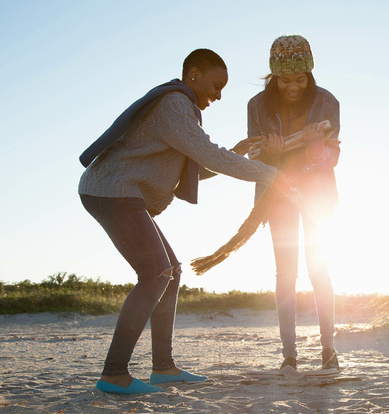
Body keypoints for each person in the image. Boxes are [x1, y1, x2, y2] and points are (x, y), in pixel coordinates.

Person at [78, 49, 286, 394]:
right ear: (194, 74)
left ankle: (163, 368)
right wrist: (271, 173)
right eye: (216, 85)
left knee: (171, 271)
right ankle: (114, 373)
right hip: (111, 190)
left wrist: (234, 154)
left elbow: (190, 169)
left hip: (121, 192)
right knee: (155, 272)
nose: (218, 95)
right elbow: (207, 155)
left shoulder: (182, 109)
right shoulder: (175, 103)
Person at [236, 35, 341, 370]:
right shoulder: (256, 106)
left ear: (310, 73)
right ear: (273, 76)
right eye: (285, 80)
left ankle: (329, 350)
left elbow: (331, 159)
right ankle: (289, 357)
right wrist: (272, 150)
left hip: (317, 198)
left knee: (319, 269)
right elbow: (255, 160)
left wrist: (312, 147)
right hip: (277, 197)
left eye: (300, 79)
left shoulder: (327, 102)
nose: (293, 87)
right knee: (286, 274)